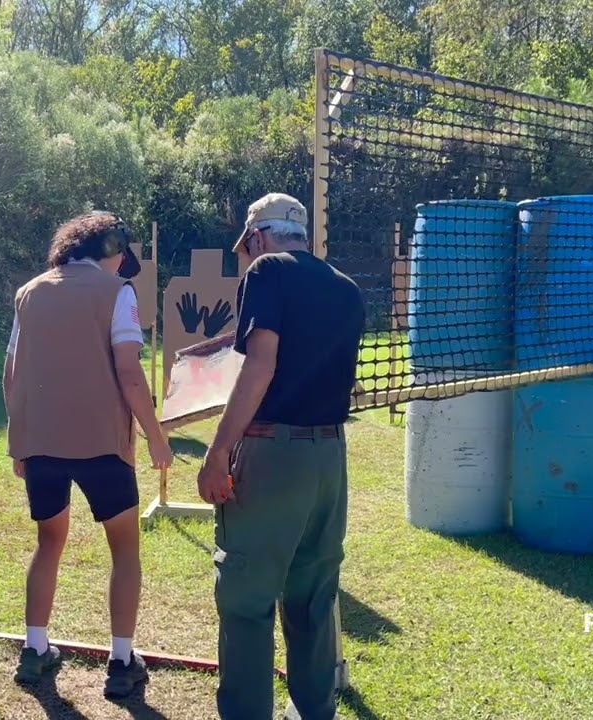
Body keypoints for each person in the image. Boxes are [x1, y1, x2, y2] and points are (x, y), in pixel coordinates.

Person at [196, 193, 365, 719]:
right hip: (330, 460)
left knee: (246, 599)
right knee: (314, 596)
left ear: (258, 238)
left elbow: (260, 364)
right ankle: (315, 710)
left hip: (273, 454)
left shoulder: (267, 271)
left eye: (245, 249)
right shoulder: (348, 289)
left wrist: (220, 448)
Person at [4, 210, 174, 698]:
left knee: (48, 543)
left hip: (42, 447)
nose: (124, 264)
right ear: (109, 249)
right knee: (124, 550)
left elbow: (11, 373)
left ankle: (35, 650)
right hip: (102, 447)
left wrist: (21, 441)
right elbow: (130, 372)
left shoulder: (29, 293)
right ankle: (122, 662)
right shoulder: (118, 293)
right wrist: (156, 436)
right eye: (122, 254)